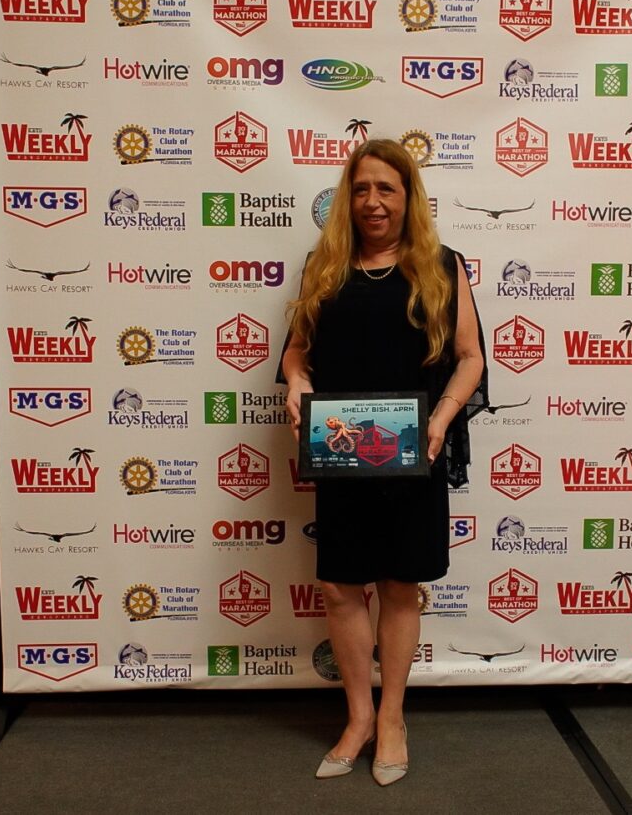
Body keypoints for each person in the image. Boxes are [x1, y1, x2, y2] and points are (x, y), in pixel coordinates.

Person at [280, 139, 487, 785]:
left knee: (400, 584)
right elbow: (297, 353)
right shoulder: (324, 265)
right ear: (350, 196)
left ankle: (393, 716)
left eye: (386, 189)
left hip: (409, 451)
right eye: (363, 188)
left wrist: (442, 416)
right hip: (343, 450)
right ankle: (359, 716)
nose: (373, 201)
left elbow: (471, 356)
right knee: (340, 586)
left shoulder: (443, 265)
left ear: (408, 197)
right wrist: (295, 384)